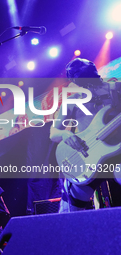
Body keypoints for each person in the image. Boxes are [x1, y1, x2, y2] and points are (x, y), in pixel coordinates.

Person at [50, 58, 121, 212]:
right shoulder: (72, 101)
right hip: (87, 157)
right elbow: (53, 133)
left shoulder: (117, 88)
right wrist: (64, 134)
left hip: (118, 155)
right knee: (69, 211)